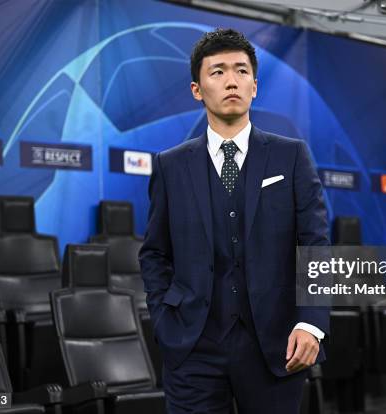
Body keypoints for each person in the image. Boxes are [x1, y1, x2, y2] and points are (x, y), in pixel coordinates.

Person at [139, 28, 330, 413]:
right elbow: (155, 253)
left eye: (241, 71)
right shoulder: (170, 165)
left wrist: (311, 323)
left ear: (255, 87)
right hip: (192, 346)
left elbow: (315, 245)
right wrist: (164, 318)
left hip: (276, 345)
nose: (231, 81)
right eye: (218, 71)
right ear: (197, 89)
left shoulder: (291, 157)